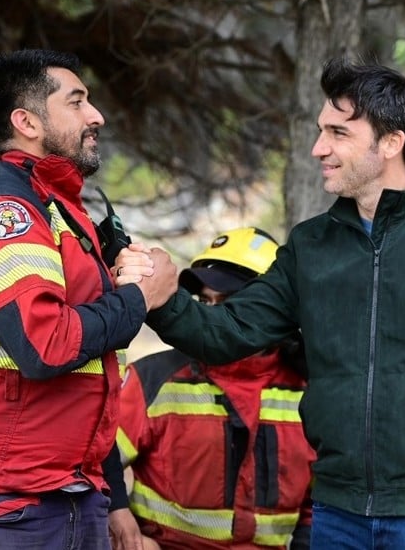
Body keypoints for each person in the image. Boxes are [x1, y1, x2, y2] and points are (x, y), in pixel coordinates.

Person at [114, 59, 405, 550]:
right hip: (338, 514)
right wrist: (161, 302)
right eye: (320, 131)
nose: (319, 148)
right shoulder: (312, 246)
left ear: (391, 142)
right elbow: (227, 334)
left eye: (338, 133)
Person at [0, 49, 177, 550]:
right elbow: (46, 346)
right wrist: (140, 297)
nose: (96, 115)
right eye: (77, 101)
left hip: (66, 492)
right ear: (27, 122)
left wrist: (114, 500)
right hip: (5, 502)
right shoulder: (6, 211)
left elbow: (89, 377)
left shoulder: (57, 208)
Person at [110, 227, 316, 550]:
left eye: (228, 302)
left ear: (272, 309)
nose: (211, 313)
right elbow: (94, 456)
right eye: (204, 300)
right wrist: (117, 512)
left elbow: (314, 509)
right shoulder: (153, 378)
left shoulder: (308, 391)